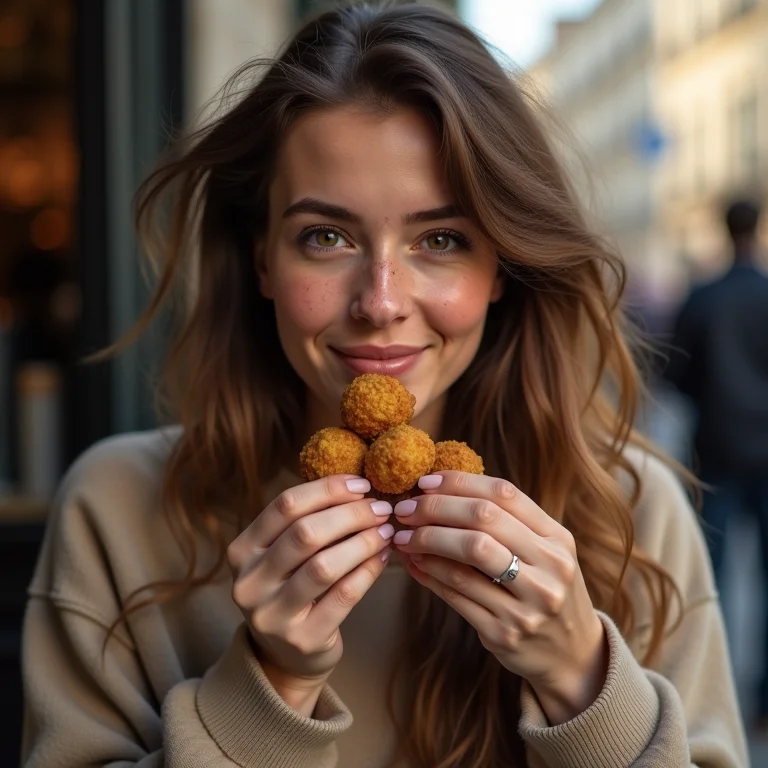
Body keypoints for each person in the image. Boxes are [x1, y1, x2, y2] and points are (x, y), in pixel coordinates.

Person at [20, 3, 747, 766]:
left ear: (500, 267)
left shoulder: (627, 510)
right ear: (262, 257)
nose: (381, 300)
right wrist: (265, 689)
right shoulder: (116, 512)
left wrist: (579, 678)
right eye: (325, 237)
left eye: (441, 240)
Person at [666, 198, 768, 722]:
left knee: (715, 576)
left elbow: (674, 374)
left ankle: (718, 694)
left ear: (725, 230)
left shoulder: (705, 297)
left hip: (719, 449)